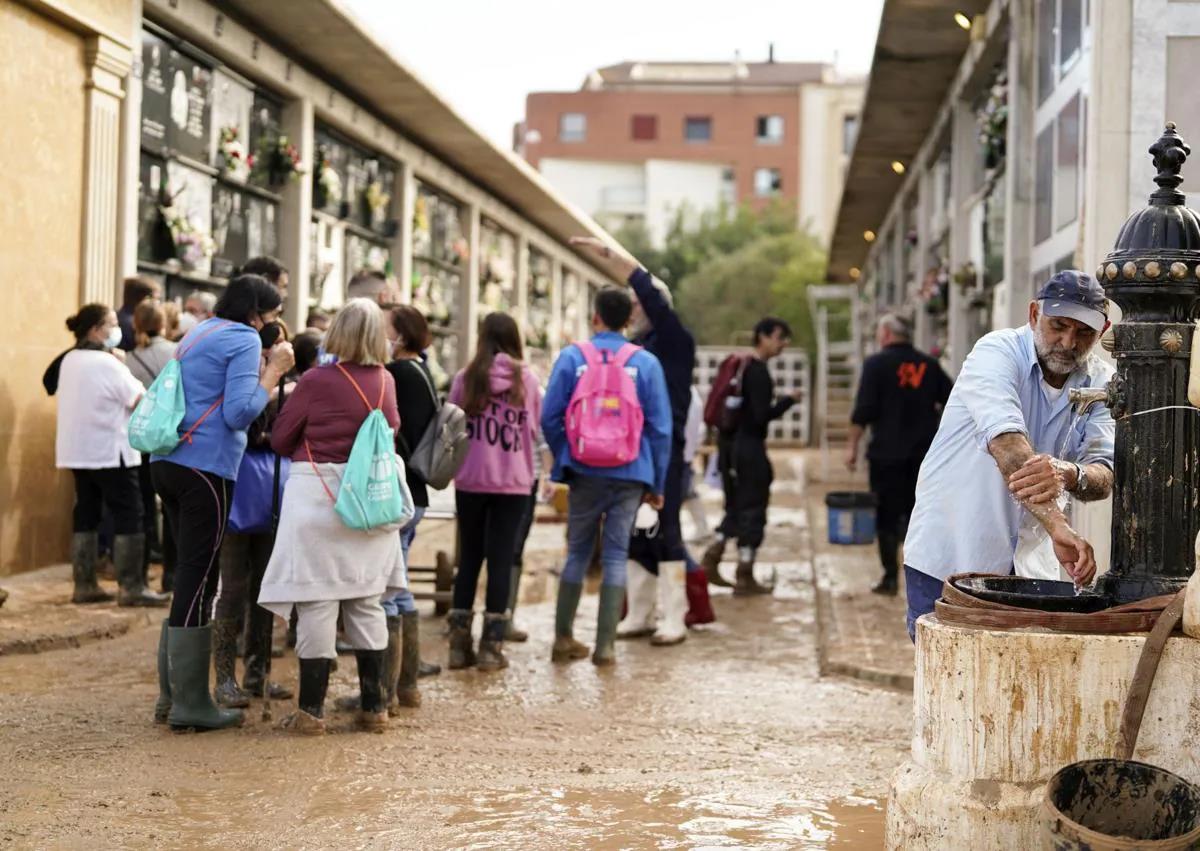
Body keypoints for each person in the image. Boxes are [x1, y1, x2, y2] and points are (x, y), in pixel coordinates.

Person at [902, 271, 1115, 641]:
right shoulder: (996, 351)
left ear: (1103, 331)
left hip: (1031, 567)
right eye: (1058, 326)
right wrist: (1059, 526)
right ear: (1034, 315)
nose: (1068, 342)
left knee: (1018, 684)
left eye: (1084, 333)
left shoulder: (1103, 381)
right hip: (952, 551)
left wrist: (1066, 473)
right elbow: (1008, 445)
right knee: (948, 682)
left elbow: (1105, 473)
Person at [150, 274, 294, 732]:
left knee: (191, 575)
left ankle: (171, 696)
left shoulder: (202, 330)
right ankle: (190, 703)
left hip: (168, 461)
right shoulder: (243, 339)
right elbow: (238, 414)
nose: (273, 325)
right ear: (256, 314)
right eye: (272, 315)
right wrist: (272, 374)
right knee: (199, 577)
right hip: (205, 467)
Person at [258, 299, 405, 735]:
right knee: (366, 601)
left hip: (316, 500)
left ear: (336, 332)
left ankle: (311, 714)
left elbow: (283, 438)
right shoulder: (386, 381)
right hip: (369, 502)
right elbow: (391, 430)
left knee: (318, 603)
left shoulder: (317, 380)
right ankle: (374, 708)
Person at [569, 236, 705, 641]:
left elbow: (650, 293)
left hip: (667, 448)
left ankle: (673, 616)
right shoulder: (637, 346)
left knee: (667, 532)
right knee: (632, 529)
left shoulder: (676, 340)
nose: (633, 309)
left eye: (639, 302)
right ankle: (640, 613)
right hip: (630, 448)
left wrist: (613, 256)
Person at [541, 287, 672, 667]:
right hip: (632, 471)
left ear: (594, 316)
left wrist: (567, 455)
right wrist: (657, 482)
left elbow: (550, 417)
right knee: (616, 554)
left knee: (578, 552)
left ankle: (563, 639)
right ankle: (606, 647)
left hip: (583, 469)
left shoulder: (571, 357)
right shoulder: (646, 363)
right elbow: (661, 429)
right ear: (629, 320)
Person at [445, 313, 543, 671]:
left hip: (471, 479)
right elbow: (535, 428)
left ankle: (458, 646)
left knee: (469, 557)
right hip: (514, 482)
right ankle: (491, 646)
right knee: (502, 560)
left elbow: (451, 425)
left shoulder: (465, 378)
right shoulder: (527, 380)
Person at [55, 303, 168, 607]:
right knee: (130, 514)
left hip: (79, 450)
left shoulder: (71, 360)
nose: (118, 329)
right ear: (95, 329)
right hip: (110, 449)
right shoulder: (107, 364)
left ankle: (84, 583)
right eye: (112, 323)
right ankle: (131, 587)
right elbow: (139, 397)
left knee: (87, 513)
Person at [211, 322, 295, 709]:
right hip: (237, 489)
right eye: (272, 345)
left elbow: (285, 434)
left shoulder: (287, 384)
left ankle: (257, 677)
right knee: (232, 588)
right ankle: (225, 678)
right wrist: (272, 386)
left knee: (265, 588)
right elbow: (243, 421)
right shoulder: (245, 376)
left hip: (270, 494)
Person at [846, 314, 953, 596]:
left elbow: (863, 411)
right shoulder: (929, 365)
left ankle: (890, 578)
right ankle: (923, 579)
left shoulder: (875, 365)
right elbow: (955, 402)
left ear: (885, 335)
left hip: (885, 456)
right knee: (921, 514)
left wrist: (852, 448)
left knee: (886, 516)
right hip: (924, 456)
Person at [700, 318, 803, 595]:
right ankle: (744, 574)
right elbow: (759, 418)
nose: (784, 343)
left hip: (730, 449)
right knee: (753, 509)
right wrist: (788, 401)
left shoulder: (743, 368)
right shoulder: (757, 371)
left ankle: (713, 556)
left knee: (735, 507)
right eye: (780, 337)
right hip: (749, 450)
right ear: (763, 337)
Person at [379, 305, 441, 707]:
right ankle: (407, 684)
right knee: (397, 585)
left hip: (399, 492)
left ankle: (385, 690)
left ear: (400, 335)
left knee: (387, 588)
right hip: (416, 493)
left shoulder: (398, 375)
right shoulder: (422, 371)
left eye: (386, 329)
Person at [127, 301, 178, 589]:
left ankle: (142, 571)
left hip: (141, 440)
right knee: (171, 508)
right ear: (164, 324)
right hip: (170, 438)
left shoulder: (129, 358)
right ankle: (171, 574)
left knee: (144, 506)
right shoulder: (175, 352)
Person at [117, 276, 160, 352]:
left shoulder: (118, 317)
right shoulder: (135, 324)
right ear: (145, 299)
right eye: (155, 299)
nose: (157, 303)